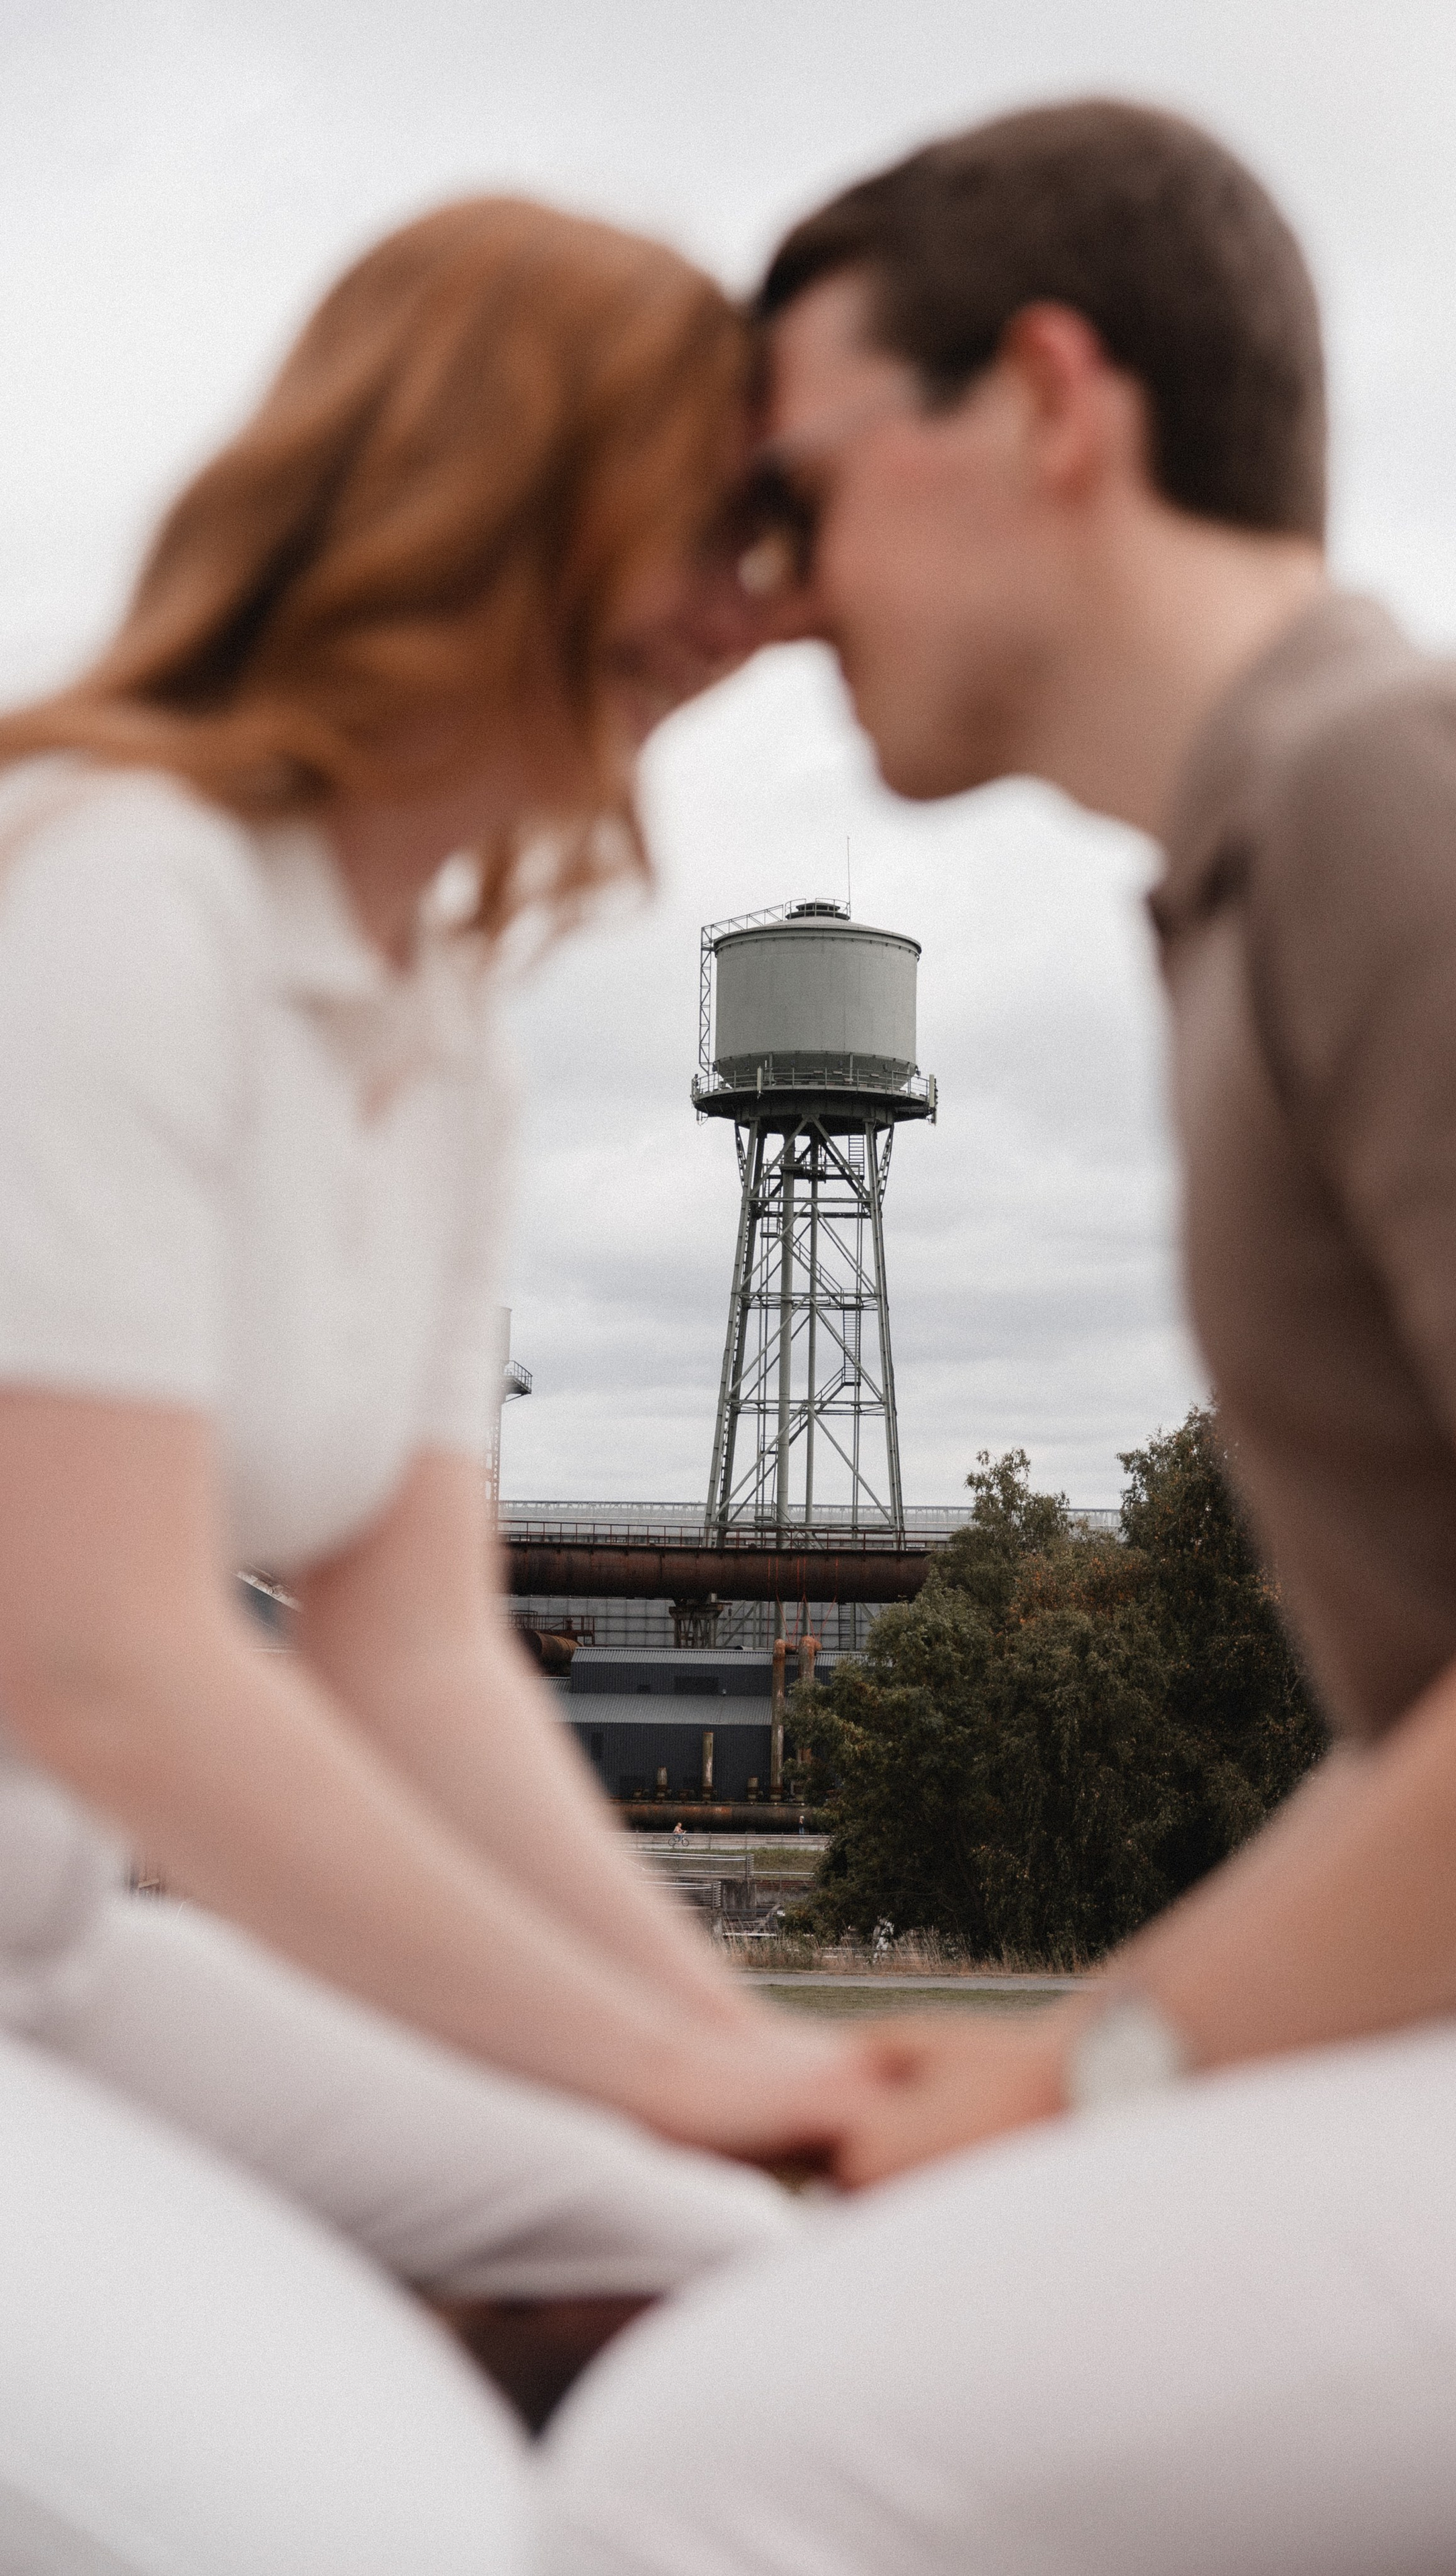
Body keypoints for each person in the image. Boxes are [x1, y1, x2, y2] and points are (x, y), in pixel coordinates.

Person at [545, 101, 1456, 2575]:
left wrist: (1100, 2066)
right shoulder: (1260, 864)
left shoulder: (1406, 784)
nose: (766, 591)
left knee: (706, 2474)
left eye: (799, 491)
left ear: (1050, 403)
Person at [0, 195, 884, 2573]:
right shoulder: (102, 890)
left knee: (754, 2284)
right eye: (710, 517)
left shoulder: (436, 1006)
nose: (756, 596)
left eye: (774, 533)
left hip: (50, 1953)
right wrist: (666, 2064)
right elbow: (104, 1664)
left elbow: (405, 1647)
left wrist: (759, 2074)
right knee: (379, 2523)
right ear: (489, 488)